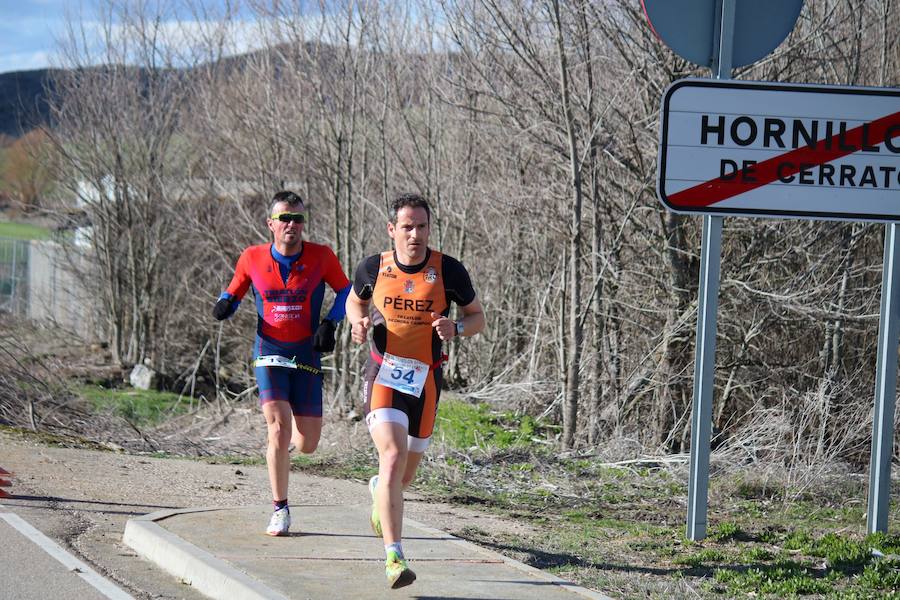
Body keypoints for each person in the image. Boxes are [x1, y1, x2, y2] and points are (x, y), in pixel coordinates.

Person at [346, 193, 485, 589]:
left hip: (426, 380)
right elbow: (354, 304)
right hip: (384, 375)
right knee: (391, 455)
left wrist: (456, 328)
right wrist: (356, 324)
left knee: (402, 478)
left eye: (422, 226)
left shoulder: (449, 271)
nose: (415, 234)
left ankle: (380, 492)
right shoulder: (373, 267)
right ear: (392, 229)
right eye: (407, 226)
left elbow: (478, 318)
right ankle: (394, 557)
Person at [213, 190, 351, 536]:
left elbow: (346, 290)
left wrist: (329, 323)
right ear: (270, 224)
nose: (292, 224)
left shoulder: (321, 256)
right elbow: (234, 290)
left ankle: (283, 450)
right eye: (285, 218)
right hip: (269, 352)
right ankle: (280, 508)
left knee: (308, 444)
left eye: (298, 218)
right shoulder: (252, 257)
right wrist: (225, 304)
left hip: (305, 353)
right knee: (277, 428)